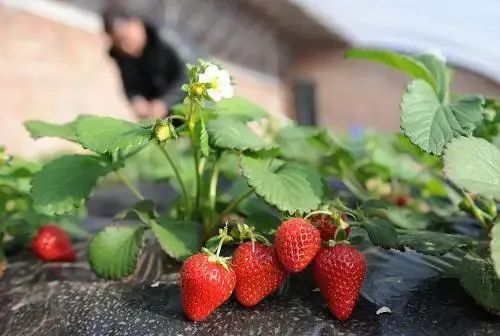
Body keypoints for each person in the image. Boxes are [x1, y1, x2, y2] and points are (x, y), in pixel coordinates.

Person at [102, 7, 188, 119]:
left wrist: (165, 102)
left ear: (137, 24)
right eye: (118, 42)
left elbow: (188, 75)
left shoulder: (167, 39)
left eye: (126, 38)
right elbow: (130, 86)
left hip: (190, 108)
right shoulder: (122, 56)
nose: (125, 47)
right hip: (160, 120)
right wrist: (137, 100)